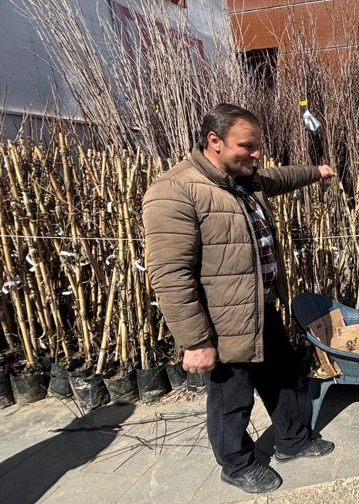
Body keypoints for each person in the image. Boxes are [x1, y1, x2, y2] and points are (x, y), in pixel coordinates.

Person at [143, 103, 336, 494]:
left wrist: (317, 172)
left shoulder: (241, 178)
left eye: (257, 146)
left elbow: (278, 178)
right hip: (221, 321)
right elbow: (170, 275)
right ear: (214, 142)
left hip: (260, 306)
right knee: (232, 398)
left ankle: (292, 442)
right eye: (247, 146)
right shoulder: (175, 190)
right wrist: (196, 341)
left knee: (281, 378)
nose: (256, 154)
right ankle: (236, 464)